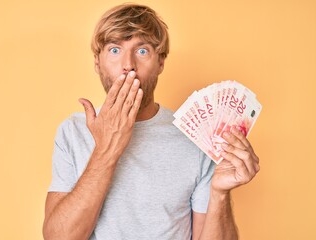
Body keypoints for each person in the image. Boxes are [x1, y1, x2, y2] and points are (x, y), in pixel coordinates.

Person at [43, 3, 260, 240]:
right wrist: (106, 151)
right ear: (97, 62)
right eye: (115, 50)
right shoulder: (73, 131)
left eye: (142, 51)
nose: (128, 65)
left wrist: (219, 194)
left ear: (160, 63)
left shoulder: (193, 134)